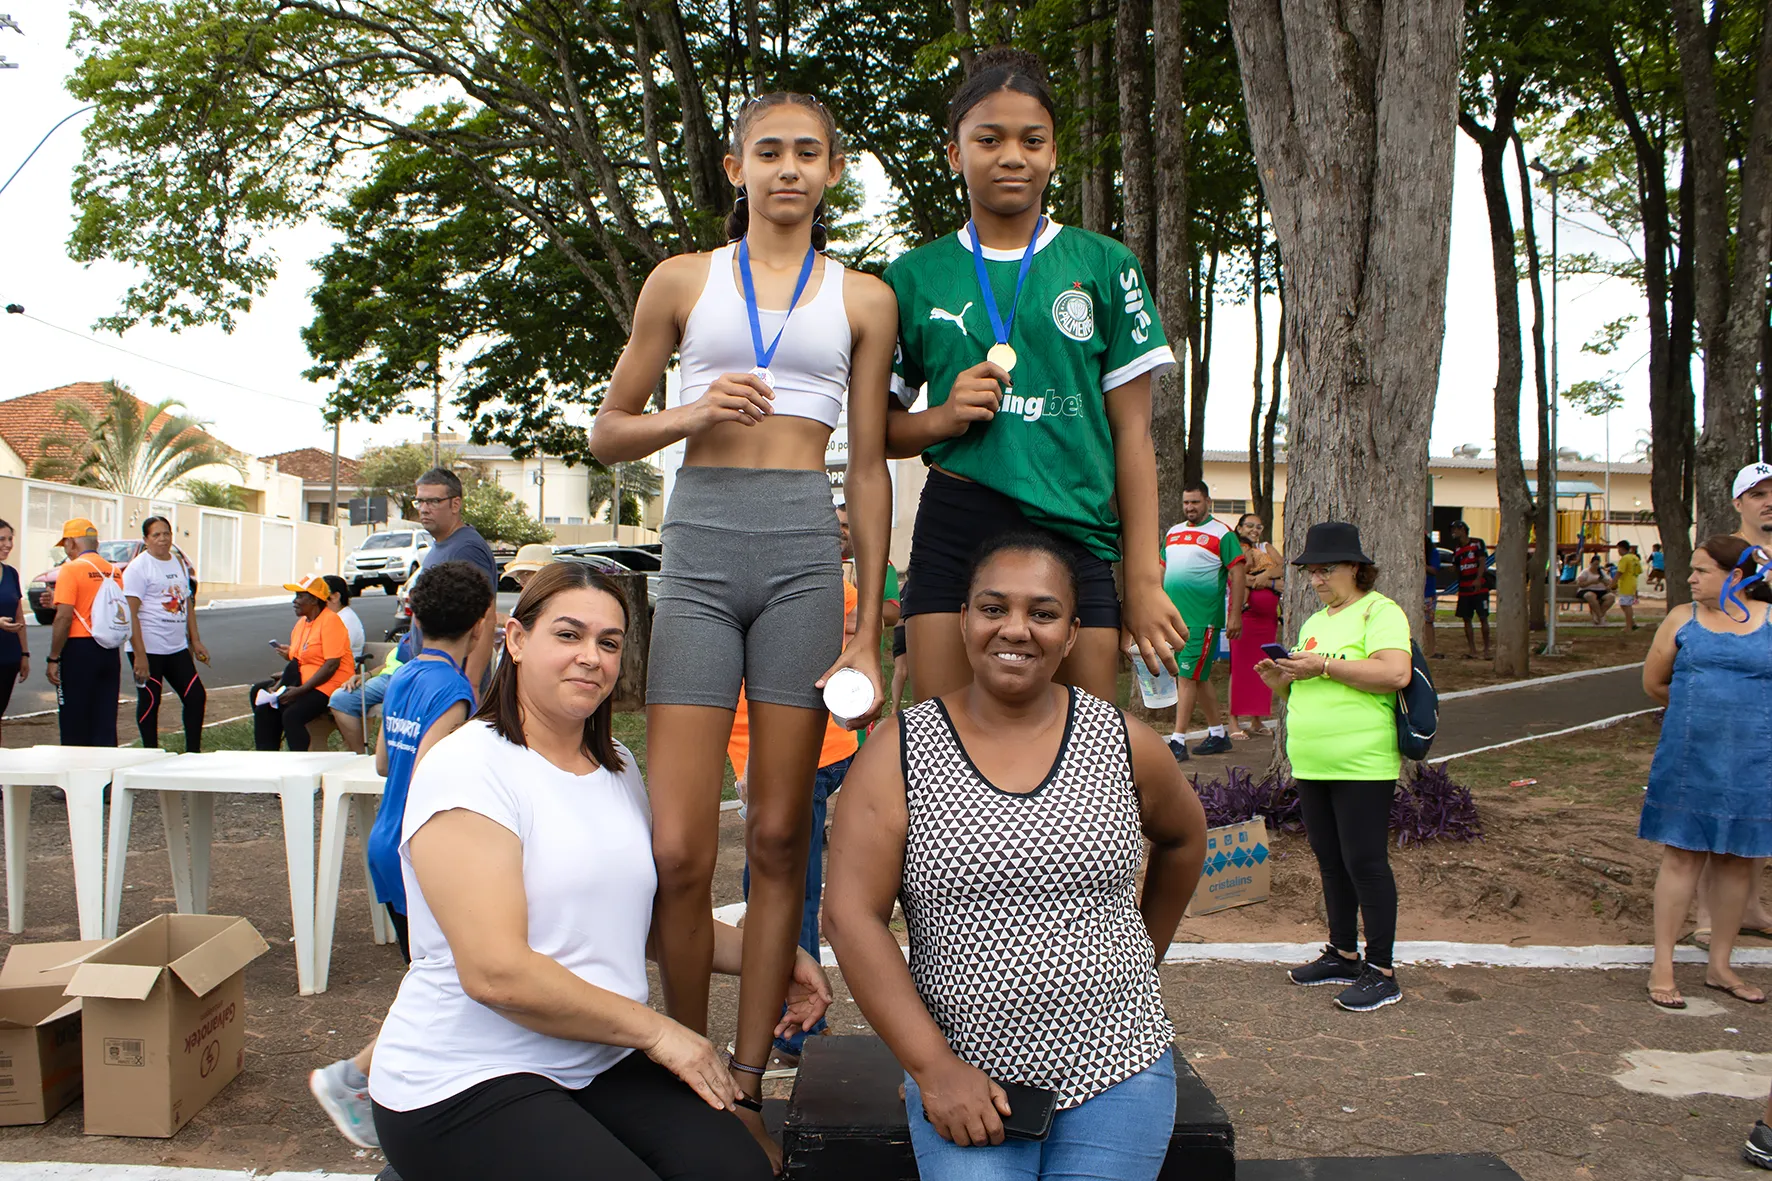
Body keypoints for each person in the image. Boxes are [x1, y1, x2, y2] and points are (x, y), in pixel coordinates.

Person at [588, 89, 892, 1159]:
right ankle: (687, 1066)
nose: (788, 168)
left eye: (808, 152)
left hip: (805, 553)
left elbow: (867, 467)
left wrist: (868, 630)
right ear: (736, 167)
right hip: (702, 546)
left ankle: (751, 1082)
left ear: (833, 170)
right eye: (769, 151)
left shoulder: (861, 297)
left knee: (775, 835)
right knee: (676, 847)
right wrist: (693, 410)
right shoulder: (682, 281)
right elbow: (607, 431)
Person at [367, 562, 828, 1181]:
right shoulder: (468, 767)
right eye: (569, 635)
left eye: (609, 643)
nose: (591, 657)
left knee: (736, 1170)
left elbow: (633, 924)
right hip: (466, 1075)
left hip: (596, 1060)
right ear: (517, 640)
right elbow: (496, 974)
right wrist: (659, 1033)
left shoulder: (618, 766)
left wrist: (770, 958)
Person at [824, 531, 1207, 1180]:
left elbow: (1184, 837)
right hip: (962, 1071)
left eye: (1043, 612)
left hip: (1119, 1065)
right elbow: (850, 914)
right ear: (964, 619)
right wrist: (932, 1068)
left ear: (1073, 633)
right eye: (993, 607)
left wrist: (1144, 954)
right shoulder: (900, 750)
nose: (1016, 629)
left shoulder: (1124, 742)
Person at [883, 47, 1187, 707]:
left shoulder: (1105, 265)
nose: (1011, 156)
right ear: (954, 153)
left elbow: (1134, 435)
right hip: (957, 521)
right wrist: (943, 417)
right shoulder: (911, 276)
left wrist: (1142, 576)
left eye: (1031, 140)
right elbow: (880, 429)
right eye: (988, 139)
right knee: (942, 739)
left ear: (1053, 154)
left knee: (1084, 746)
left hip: (1074, 525)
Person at [309, 561, 496, 1151]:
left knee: (434, 980)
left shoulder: (406, 674)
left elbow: (385, 762)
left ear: (415, 616)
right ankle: (357, 1078)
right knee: (443, 984)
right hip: (420, 855)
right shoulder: (456, 691)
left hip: (385, 844)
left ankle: (381, 1083)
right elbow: (433, 779)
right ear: (480, 625)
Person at [1257, 522, 1413, 1013]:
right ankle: (1344, 953)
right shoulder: (1315, 622)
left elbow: (1395, 672)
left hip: (1361, 762)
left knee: (1365, 863)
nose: (1316, 579)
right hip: (1313, 761)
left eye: (1325, 569)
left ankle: (1382, 971)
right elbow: (1304, 689)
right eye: (1310, 571)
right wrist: (1280, 680)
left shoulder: (1380, 611)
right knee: (1330, 860)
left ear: (1355, 568)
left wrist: (1322, 665)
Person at [1639, 534, 1772, 1009]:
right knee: (1682, 857)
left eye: (1702, 571)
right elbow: (1654, 684)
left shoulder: (1770, 618)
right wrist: (1697, 714)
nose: (1690, 578)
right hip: (1690, 758)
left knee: (1736, 860)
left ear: (1736, 576)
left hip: (1755, 761)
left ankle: (1720, 967)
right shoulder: (1682, 618)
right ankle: (1662, 966)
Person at [1161, 482, 1244, 759]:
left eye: (1195, 502)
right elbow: (1161, 569)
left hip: (1202, 619)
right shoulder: (1173, 532)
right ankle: (1218, 734)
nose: (1190, 507)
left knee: (1186, 676)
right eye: (1186, 502)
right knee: (1198, 676)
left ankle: (1178, 741)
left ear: (1207, 501)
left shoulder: (1222, 533)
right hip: (1173, 619)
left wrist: (1234, 614)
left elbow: (1238, 573)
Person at [402, 468, 500, 687]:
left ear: (455, 504)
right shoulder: (441, 546)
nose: (424, 509)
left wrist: (472, 685)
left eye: (433, 501)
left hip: (452, 685)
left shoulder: (466, 549)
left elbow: (485, 619)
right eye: (420, 501)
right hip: (432, 677)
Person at [123, 515, 208, 751]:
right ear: (146, 539)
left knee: (195, 696)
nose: (162, 539)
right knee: (151, 700)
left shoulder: (177, 562)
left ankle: (193, 753)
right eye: (156, 535)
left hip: (176, 647)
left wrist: (195, 640)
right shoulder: (138, 568)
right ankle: (150, 753)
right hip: (148, 648)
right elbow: (130, 614)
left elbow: (186, 601)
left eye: (166, 534)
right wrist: (140, 656)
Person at [253, 576, 356, 751]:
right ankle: (268, 757)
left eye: (300, 596)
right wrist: (278, 687)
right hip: (304, 683)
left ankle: (301, 759)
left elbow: (331, 665)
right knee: (264, 707)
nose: (295, 601)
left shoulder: (331, 621)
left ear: (315, 599)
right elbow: (296, 662)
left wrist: (301, 690)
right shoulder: (301, 624)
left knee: (292, 715)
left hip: (330, 686)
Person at [45, 518, 121, 747]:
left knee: (75, 718)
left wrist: (54, 657)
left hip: (79, 648)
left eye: (65, 545)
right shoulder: (114, 571)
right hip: (108, 648)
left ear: (71, 542)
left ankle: (75, 766)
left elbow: (64, 618)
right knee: (105, 716)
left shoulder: (71, 569)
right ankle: (106, 766)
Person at [1228, 512, 1280, 738]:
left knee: (1263, 666)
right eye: (1249, 525)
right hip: (1245, 617)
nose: (1254, 530)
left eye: (1258, 526)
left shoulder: (1266, 548)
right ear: (1239, 528)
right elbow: (1238, 576)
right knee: (1239, 668)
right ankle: (1233, 721)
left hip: (1267, 621)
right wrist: (1265, 582)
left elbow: (1281, 568)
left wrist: (1264, 578)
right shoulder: (1235, 548)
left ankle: (1256, 720)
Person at [0, 519, 29, 743]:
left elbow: (19, 616)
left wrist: (24, 654)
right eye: (2, 539)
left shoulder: (11, 574)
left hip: (8, 657)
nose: (8, 544)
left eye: (10, 539)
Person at [1449, 520, 1490, 660]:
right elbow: (1456, 566)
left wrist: (1478, 578)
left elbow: (1482, 562)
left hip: (1479, 587)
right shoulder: (1457, 549)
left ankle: (1487, 649)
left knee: (1483, 617)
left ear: (1463, 530)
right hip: (1464, 588)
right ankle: (1472, 650)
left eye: (1455, 529)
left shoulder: (1477, 543)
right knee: (1466, 618)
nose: (1453, 532)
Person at [324, 575, 367, 662]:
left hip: (340, 667)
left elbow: (334, 655)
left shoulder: (347, 620)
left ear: (335, 597)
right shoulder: (328, 617)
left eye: (321, 594)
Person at [1574, 555, 1616, 623]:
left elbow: (1609, 582)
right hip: (1586, 590)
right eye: (1595, 564)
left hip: (1601, 591)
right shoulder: (1585, 572)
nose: (1596, 566)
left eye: (1598, 564)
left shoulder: (1601, 572)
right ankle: (1600, 616)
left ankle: (1599, 614)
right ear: (1591, 564)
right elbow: (1580, 584)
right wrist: (1591, 582)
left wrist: (1604, 581)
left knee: (1611, 597)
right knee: (1591, 596)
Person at [1614, 541, 1643, 631]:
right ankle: (1632, 623)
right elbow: (1639, 571)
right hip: (1632, 583)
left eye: (1618, 549)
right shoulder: (1634, 558)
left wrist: (1613, 583)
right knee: (1624, 605)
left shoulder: (1625, 559)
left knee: (1626, 605)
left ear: (1622, 548)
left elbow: (1619, 572)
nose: (1618, 551)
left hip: (1626, 584)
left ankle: (1629, 627)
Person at [1422, 533, 1441, 659]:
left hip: (1428, 593)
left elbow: (1435, 570)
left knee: (1428, 622)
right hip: (1418, 593)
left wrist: (1422, 564)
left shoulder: (1433, 553)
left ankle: (1431, 650)